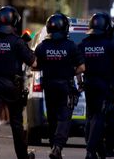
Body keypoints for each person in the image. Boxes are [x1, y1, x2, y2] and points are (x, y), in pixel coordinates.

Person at [0, 6, 36, 159]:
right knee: (16, 123)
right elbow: (33, 63)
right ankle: (22, 156)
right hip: (12, 86)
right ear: (14, 21)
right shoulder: (17, 42)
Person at [78, 12, 114, 159]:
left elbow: (77, 67)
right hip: (104, 85)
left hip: (89, 84)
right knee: (99, 118)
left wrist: (79, 83)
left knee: (90, 117)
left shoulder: (84, 44)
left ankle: (96, 150)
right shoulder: (111, 44)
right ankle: (90, 151)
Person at [34, 13, 85, 159]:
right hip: (66, 86)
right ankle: (57, 147)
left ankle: (54, 147)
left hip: (49, 86)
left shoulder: (42, 46)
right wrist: (69, 72)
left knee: (52, 118)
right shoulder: (71, 46)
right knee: (64, 118)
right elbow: (82, 67)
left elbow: (35, 66)